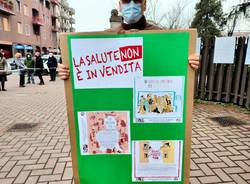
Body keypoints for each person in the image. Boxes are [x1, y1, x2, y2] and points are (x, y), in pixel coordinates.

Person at [58, 0, 200, 80]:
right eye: (126, 1)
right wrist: (67, 71)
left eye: (137, 1)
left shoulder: (162, 35)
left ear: (144, 4)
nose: (131, 5)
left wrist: (189, 62)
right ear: (119, 5)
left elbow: (173, 68)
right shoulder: (105, 38)